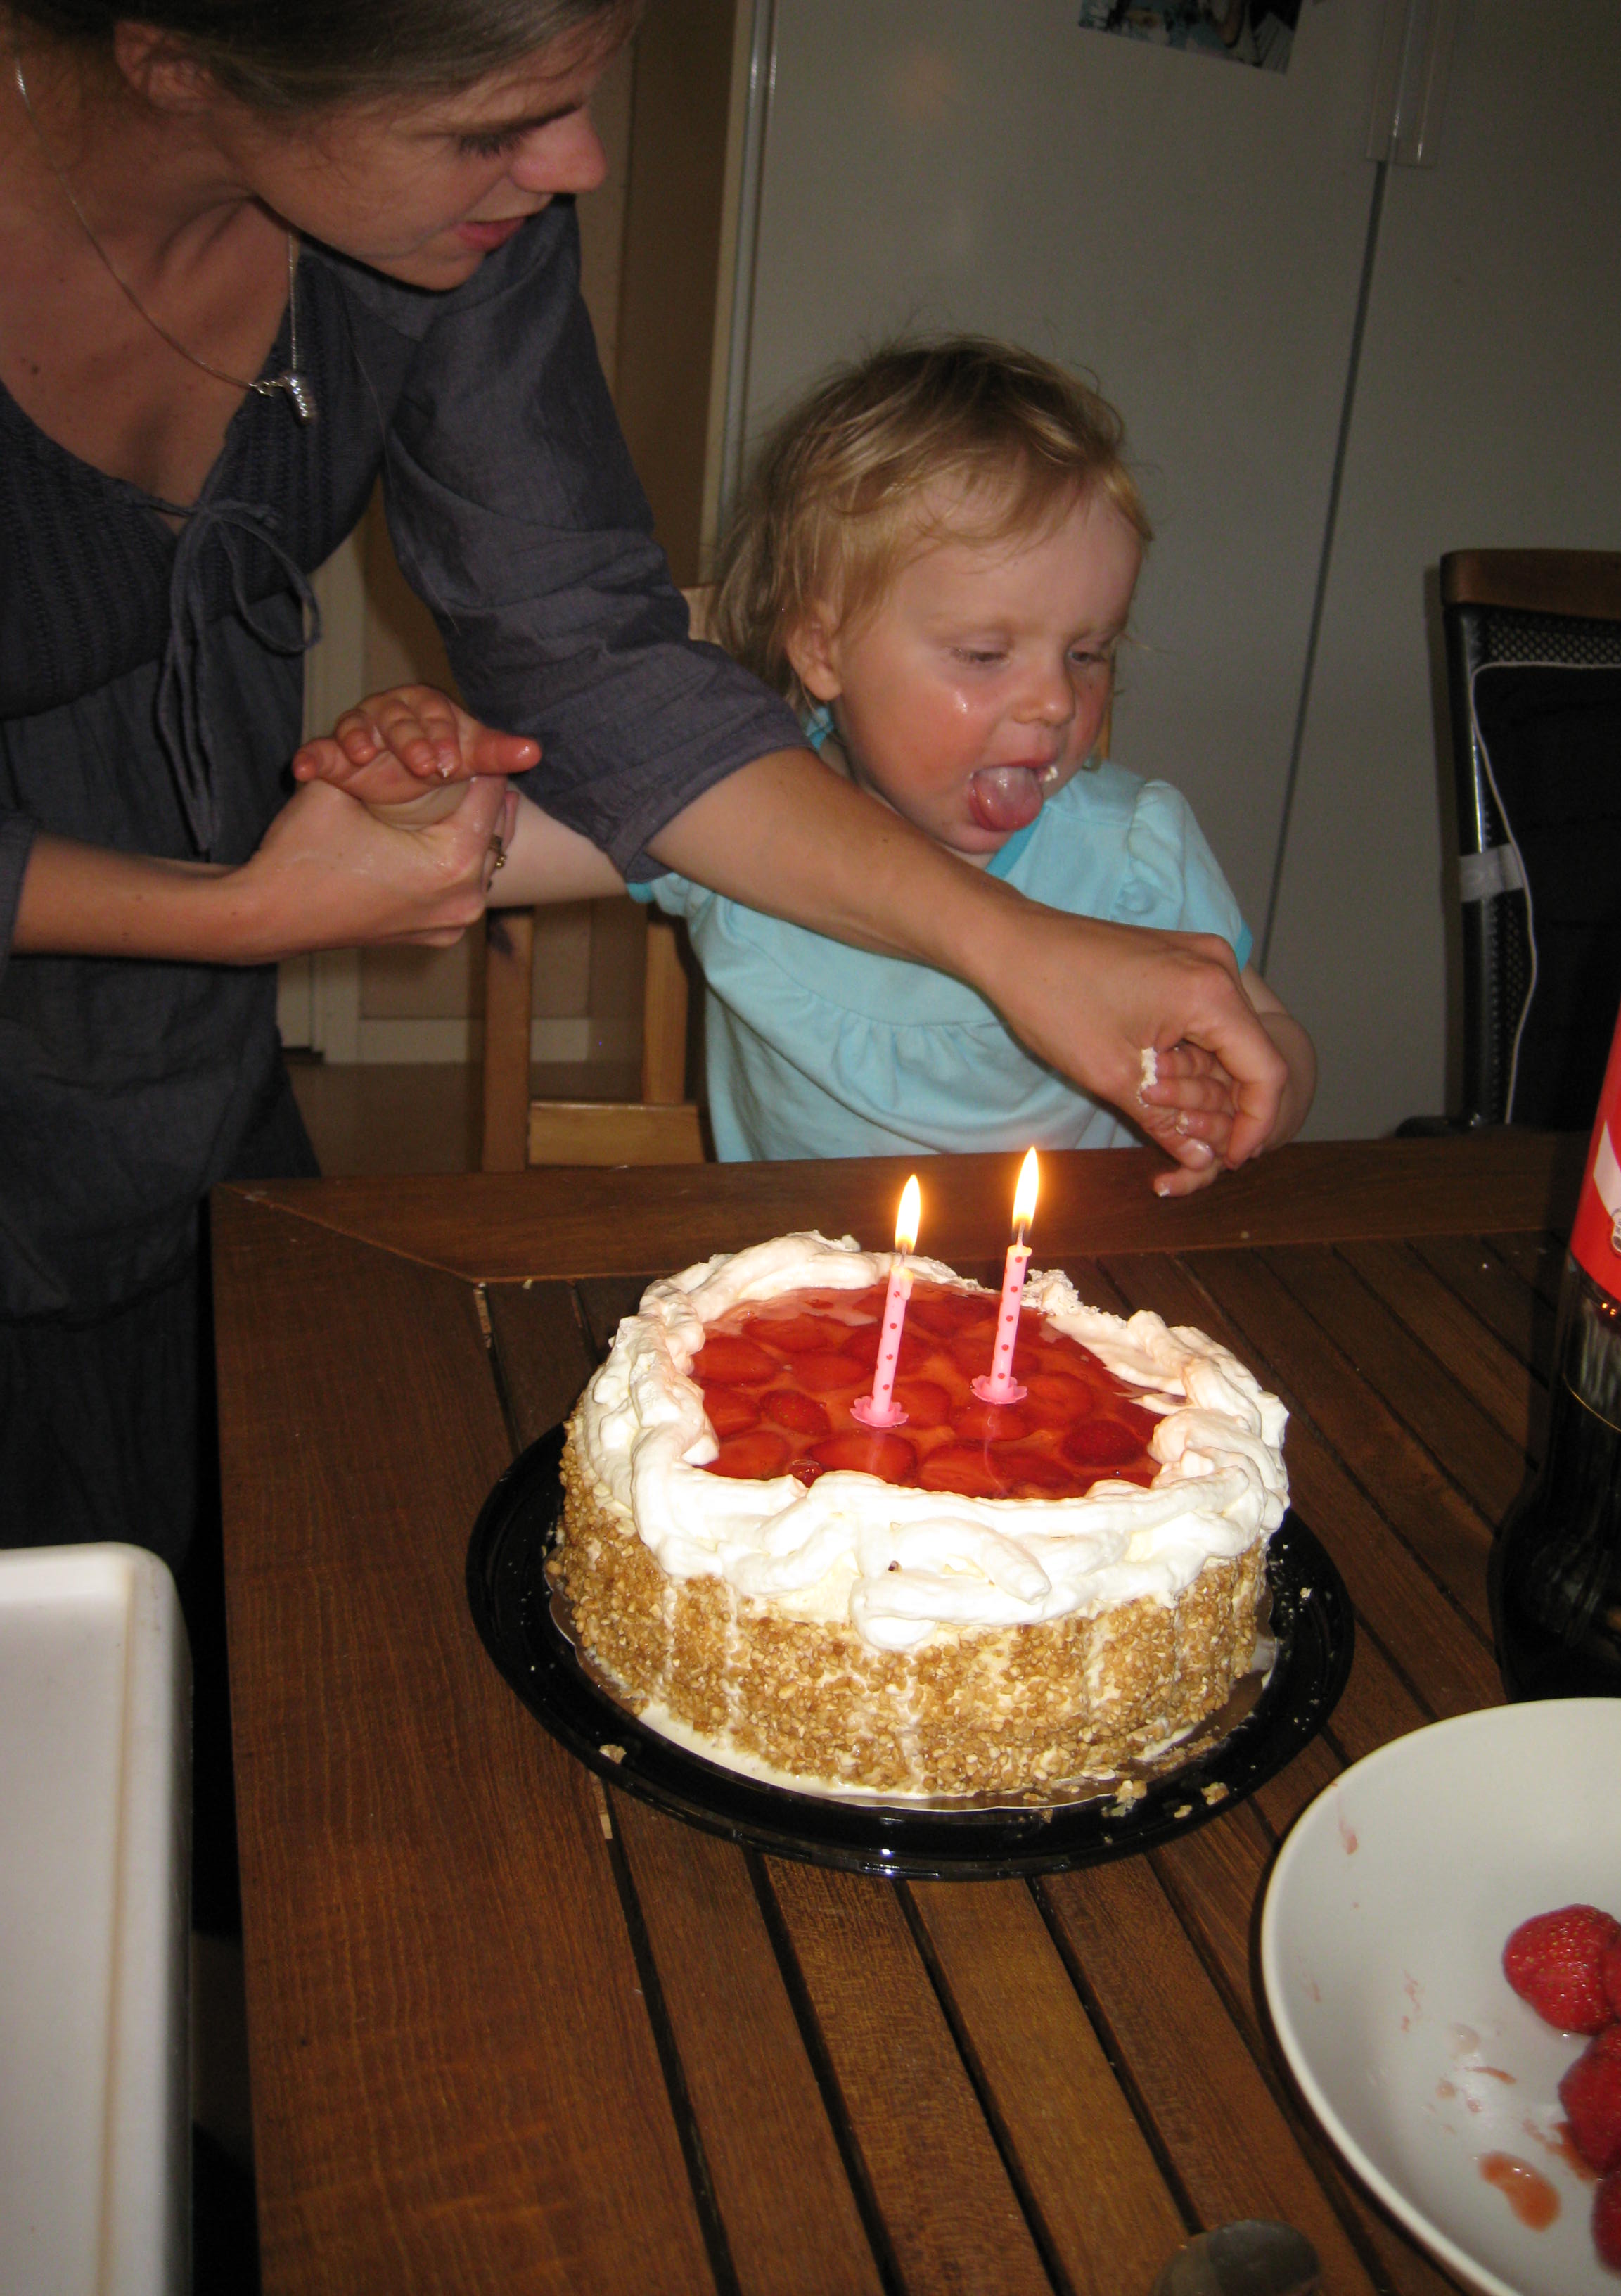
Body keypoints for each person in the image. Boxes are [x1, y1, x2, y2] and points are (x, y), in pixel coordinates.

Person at [1, 0, 1290, 1587]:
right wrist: (278, 889)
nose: (579, 164)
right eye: (489, 125)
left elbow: (597, 675)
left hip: (187, 1088)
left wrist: (1017, 944)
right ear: (181, 58)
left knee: (232, 1566)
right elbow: (532, 829)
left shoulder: (462, 231)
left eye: (577, 94)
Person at [307, 340, 1314, 1180]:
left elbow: (1273, 1041)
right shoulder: (737, 822)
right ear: (822, 650)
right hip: (795, 1308)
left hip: (1056, 1312)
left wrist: (1242, 1099)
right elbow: (478, 856)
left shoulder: (1134, 856)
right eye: (984, 655)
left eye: (1087, 654)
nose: (1056, 702)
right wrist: (425, 789)